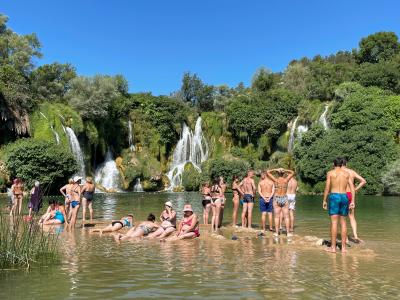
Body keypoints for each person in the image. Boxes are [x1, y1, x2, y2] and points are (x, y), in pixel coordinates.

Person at [323, 157, 355, 253]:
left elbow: (327, 188)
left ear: (333, 164)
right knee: (343, 222)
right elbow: (352, 188)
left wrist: (324, 200)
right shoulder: (346, 174)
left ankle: (333, 248)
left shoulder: (330, 173)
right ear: (342, 164)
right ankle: (344, 248)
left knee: (334, 222)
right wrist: (352, 200)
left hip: (334, 196)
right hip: (344, 196)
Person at [342, 158, 366, 243]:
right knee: (352, 217)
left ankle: (346, 239)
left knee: (342, 217)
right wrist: (355, 189)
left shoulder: (338, 172)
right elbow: (363, 181)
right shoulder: (351, 172)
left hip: (342, 194)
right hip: (350, 195)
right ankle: (355, 236)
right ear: (346, 164)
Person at [267, 168, 294, 238]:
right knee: (287, 217)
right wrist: (285, 170)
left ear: (277, 174)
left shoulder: (275, 180)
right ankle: (288, 233)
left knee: (276, 217)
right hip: (284, 198)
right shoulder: (286, 180)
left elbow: (268, 172)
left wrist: (275, 169)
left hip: (277, 198)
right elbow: (292, 172)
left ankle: (276, 232)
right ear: (283, 174)